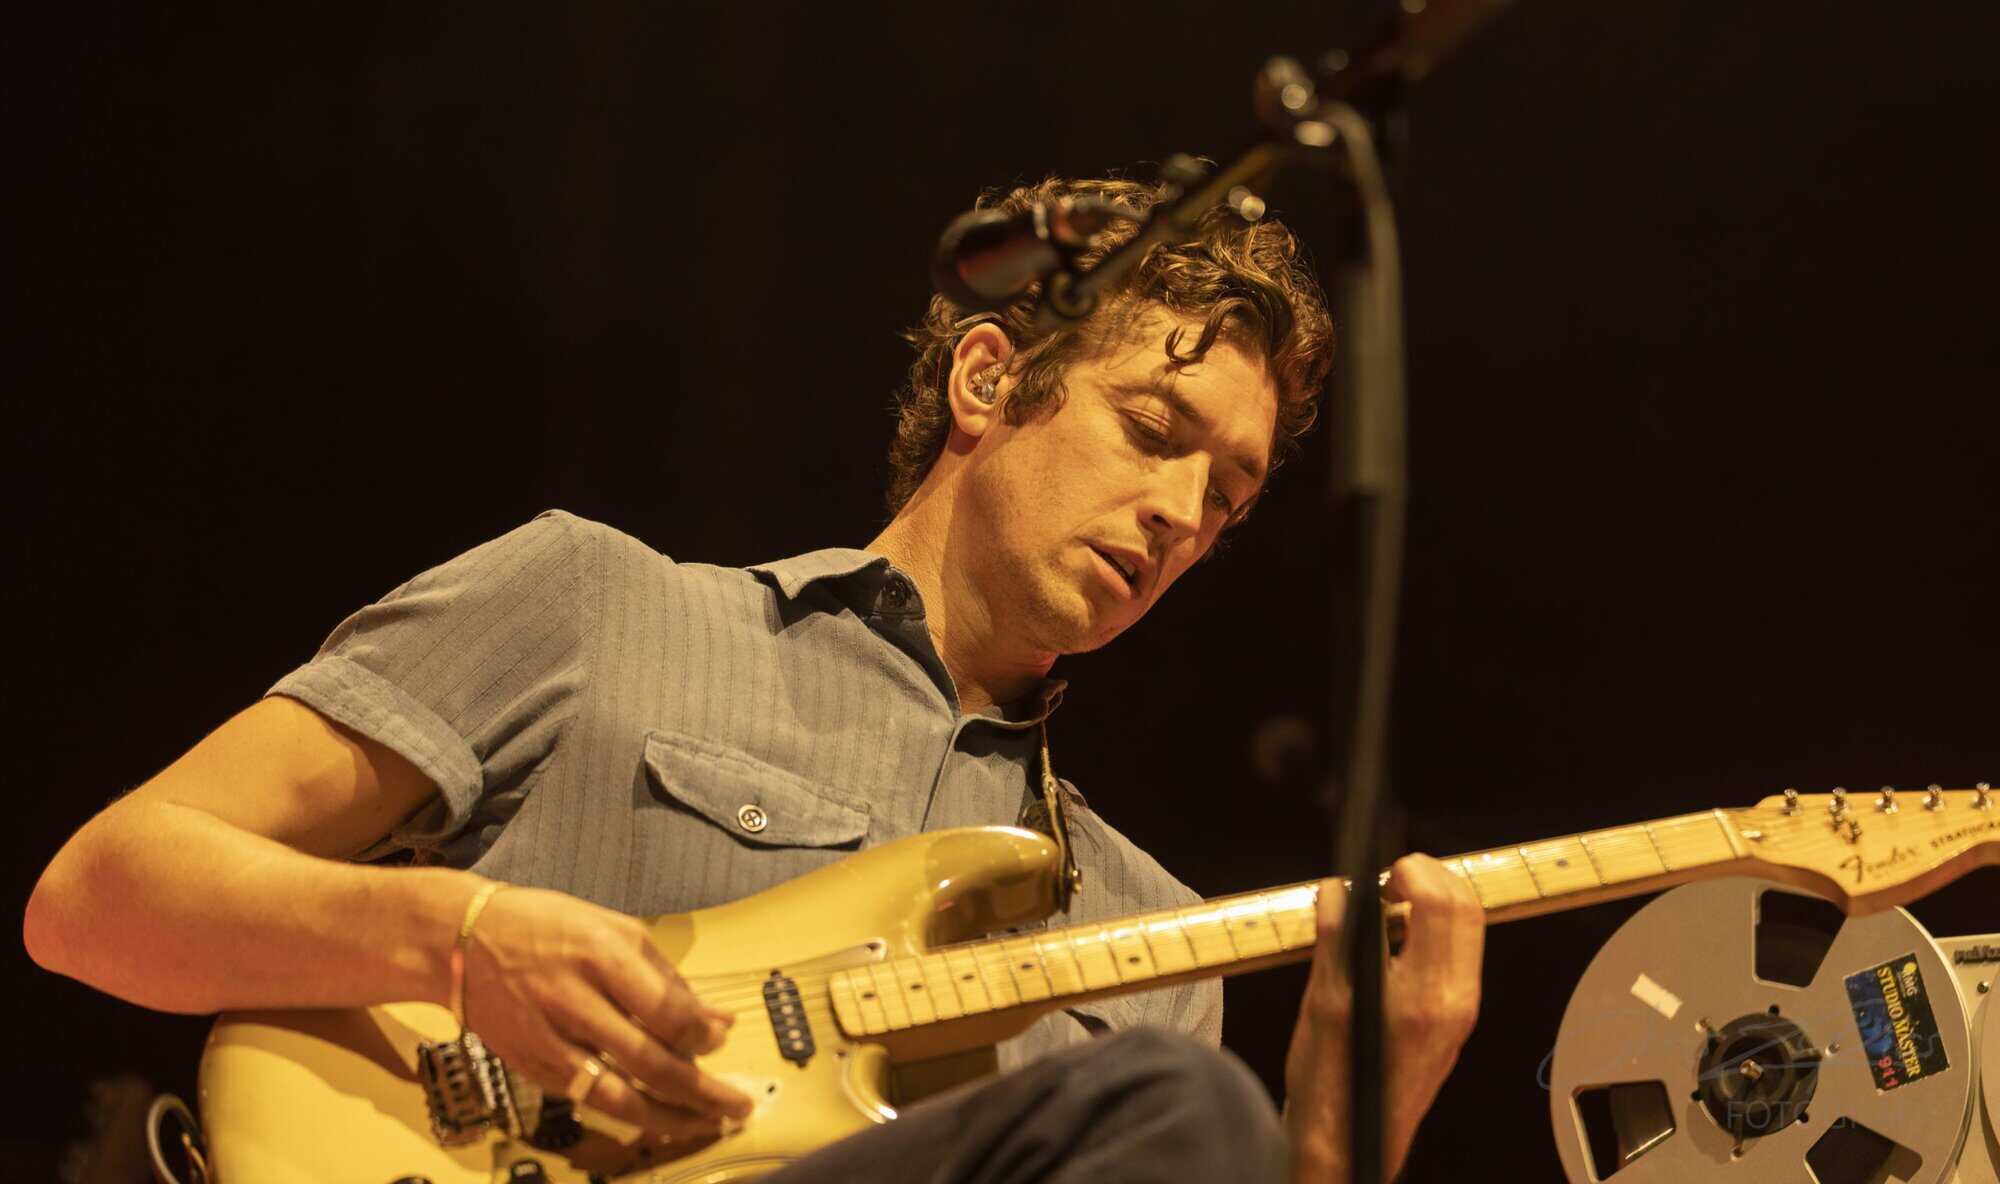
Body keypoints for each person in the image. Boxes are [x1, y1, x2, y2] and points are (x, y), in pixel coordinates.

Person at [24, 176, 1484, 1182]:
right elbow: (99, 898)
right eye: (1154, 431)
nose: (1181, 513)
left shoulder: (1156, 943)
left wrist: (1342, 1134)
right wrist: (459, 939)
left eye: (1228, 497)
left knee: (1184, 1105)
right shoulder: (591, 604)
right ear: (988, 380)